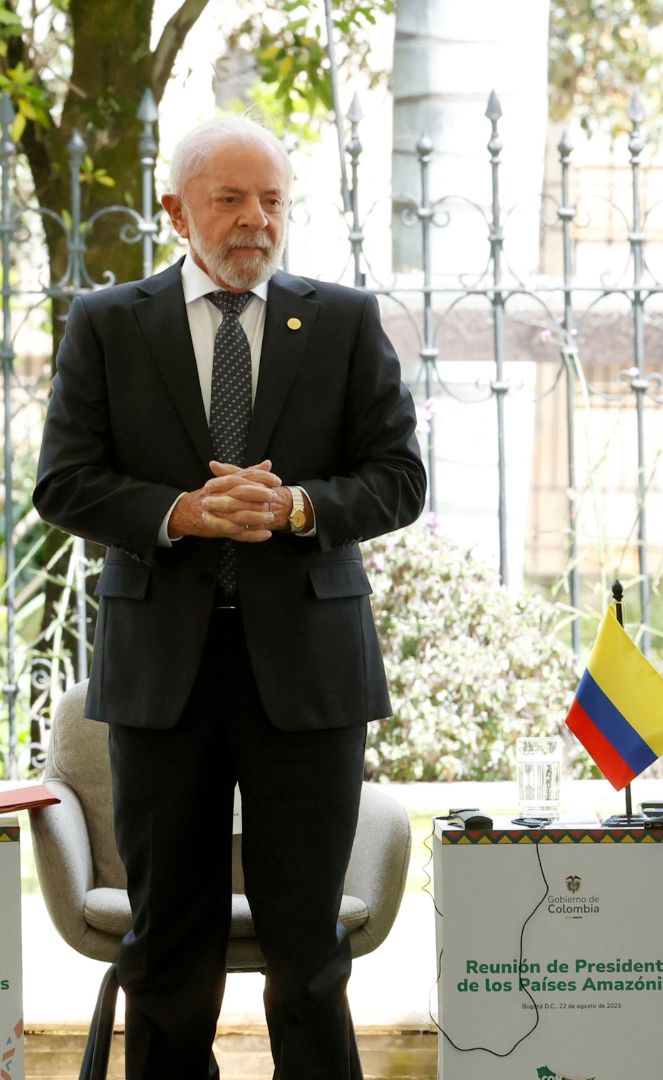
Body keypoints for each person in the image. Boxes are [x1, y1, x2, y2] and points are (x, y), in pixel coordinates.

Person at [34, 113, 425, 1079]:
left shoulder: (341, 320)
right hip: (163, 677)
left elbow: (399, 479)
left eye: (272, 201)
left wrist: (296, 506)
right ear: (177, 209)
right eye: (230, 199)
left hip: (309, 678)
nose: (256, 220)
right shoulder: (109, 323)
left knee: (307, 951)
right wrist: (179, 512)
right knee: (169, 946)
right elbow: (64, 483)